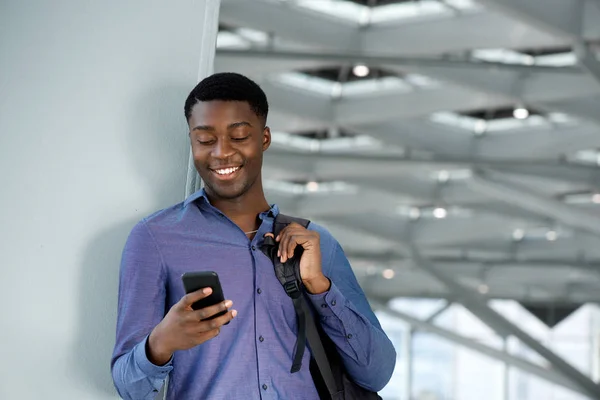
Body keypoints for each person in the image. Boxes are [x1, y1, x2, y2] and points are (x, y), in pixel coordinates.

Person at [111, 72, 396, 400]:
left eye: (239, 135)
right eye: (205, 140)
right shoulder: (155, 239)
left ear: (264, 138)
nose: (221, 152)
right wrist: (160, 343)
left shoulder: (317, 243)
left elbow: (377, 373)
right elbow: (128, 387)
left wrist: (319, 287)